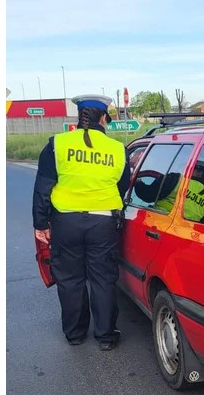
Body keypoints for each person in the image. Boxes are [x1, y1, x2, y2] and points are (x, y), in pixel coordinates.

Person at [32, 95, 132, 351]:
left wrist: (41, 224)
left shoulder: (58, 144)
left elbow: (43, 188)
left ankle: (75, 334)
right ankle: (106, 337)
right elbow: (123, 186)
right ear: (103, 118)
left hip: (65, 223)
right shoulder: (117, 149)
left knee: (70, 279)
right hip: (104, 223)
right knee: (103, 278)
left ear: (79, 117)